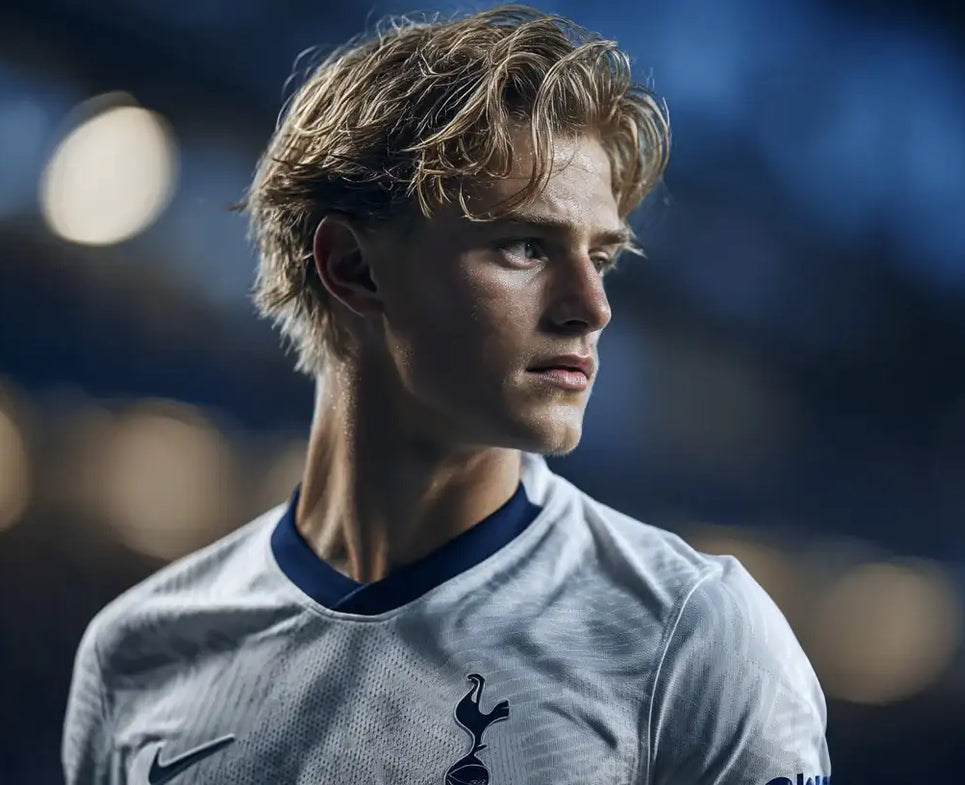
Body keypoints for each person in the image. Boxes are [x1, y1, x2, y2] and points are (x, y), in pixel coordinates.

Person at [62, 6, 831, 784]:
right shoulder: (134, 655)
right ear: (354, 269)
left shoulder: (693, 639)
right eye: (526, 246)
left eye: (600, 256)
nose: (591, 307)